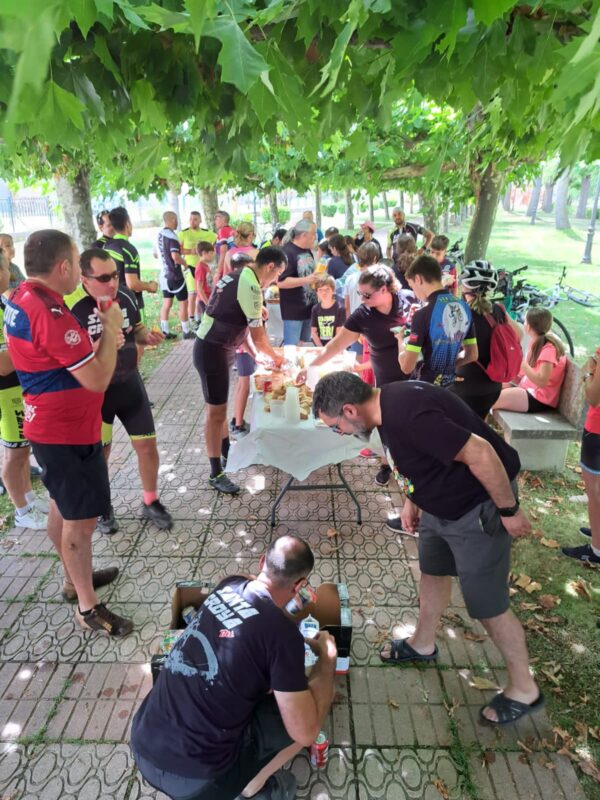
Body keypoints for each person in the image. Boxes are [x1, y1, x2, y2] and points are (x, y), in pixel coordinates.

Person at [313, 371, 544, 727]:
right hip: (439, 507)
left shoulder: (409, 414)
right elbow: (412, 459)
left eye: (335, 426)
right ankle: (423, 643)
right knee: (432, 571)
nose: (339, 432)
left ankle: (524, 688)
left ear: (349, 410)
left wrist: (508, 510)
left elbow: (481, 453)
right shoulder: (382, 407)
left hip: (476, 508)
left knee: (488, 605)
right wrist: (412, 500)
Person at [131, 535, 337, 800]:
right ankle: (252, 788)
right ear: (299, 585)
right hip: (198, 784)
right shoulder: (285, 638)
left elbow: (256, 601)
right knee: (309, 710)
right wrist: (328, 658)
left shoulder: (229, 585)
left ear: (262, 562)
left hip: (143, 744)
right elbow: (306, 733)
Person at [5, 229, 132, 636]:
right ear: (62, 267)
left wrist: (99, 342)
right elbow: (96, 378)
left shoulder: (24, 296)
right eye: (76, 263)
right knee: (81, 522)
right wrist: (110, 329)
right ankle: (88, 608)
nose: (79, 271)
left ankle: (72, 580)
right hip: (65, 432)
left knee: (62, 507)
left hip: (53, 427)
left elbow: (57, 359)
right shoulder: (49, 312)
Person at [68, 248, 172, 535]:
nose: (112, 282)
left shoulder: (124, 296)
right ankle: (103, 506)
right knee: (100, 455)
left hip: (129, 384)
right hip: (96, 394)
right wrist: (98, 345)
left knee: (147, 446)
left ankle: (150, 501)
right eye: (104, 278)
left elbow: (136, 330)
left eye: (115, 275)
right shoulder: (74, 308)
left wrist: (147, 337)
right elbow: (69, 358)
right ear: (84, 279)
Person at [298, 265, 407, 488]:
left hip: (415, 376)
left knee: (410, 428)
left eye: (367, 295)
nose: (362, 299)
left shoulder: (407, 301)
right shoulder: (363, 315)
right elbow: (336, 345)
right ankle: (387, 465)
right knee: (389, 428)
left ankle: (411, 469)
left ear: (385, 289)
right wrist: (311, 366)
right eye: (360, 294)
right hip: (386, 382)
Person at [194, 247, 286, 494]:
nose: (275, 281)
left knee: (220, 408)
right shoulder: (250, 284)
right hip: (211, 349)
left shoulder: (242, 275)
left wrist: (257, 357)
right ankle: (215, 473)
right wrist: (277, 358)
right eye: (278, 274)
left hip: (218, 347)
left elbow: (240, 327)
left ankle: (227, 452)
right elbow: (259, 337)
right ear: (270, 267)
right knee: (215, 414)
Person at [0, 248, 48, 529]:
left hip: (18, 386)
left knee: (22, 448)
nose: (10, 274)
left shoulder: (4, 301)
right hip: (5, 391)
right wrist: (35, 349)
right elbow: (2, 364)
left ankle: (28, 499)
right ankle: (22, 510)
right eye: (7, 268)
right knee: (14, 452)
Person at [450, 262, 523, 419]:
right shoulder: (499, 310)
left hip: (464, 387)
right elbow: (519, 334)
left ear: (465, 286)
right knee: (477, 426)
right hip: (493, 388)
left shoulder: (460, 313)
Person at [397, 255, 477, 387]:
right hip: (450, 386)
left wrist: (400, 343)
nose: (414, 292)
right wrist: (447, 367)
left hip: (426, 388)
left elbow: (407, 367)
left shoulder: (422, 315)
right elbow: (472, 355)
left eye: (412, 286)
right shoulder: (464, 306)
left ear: (418, 279)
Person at [562, 346, 600, 564]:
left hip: (597, 429)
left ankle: (596, 550)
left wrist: (589, 373)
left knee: (595, 493)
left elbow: (593, 397)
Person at [494, 308, 567, 413]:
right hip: (526, 389)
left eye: (525, 321)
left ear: (528, 326)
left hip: (538, 398)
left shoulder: (549, 349)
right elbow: (523, 374)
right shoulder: (536, 342)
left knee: (489, 400)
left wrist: (523, 364)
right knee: (488, 389)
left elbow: (542, 381)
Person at [104, 206, 158, 324]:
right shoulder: (128, 250)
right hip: (131, 303)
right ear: (127, 224)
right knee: (139, 334)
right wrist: (150, 286)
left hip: (110, 304)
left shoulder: (106, 246)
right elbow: (132, 283)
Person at [278, 220, 317, 345]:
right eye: (313, 233)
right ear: (304, 235)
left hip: (309, 309)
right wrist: (306, 280)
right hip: (293, 312)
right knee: (292, 348)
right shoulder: (287, 252)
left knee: (303, 346)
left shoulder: (307, 250)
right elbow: (281, 282)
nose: (315, 237)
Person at [157, 211, 194, 340]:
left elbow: (155, 254)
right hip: (175, 275)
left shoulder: (158, 235)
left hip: (163, 275)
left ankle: (165, 331)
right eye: (176, 219)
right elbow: (175, 257)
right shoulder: (172, 236)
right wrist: (185, 264)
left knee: (167, 303)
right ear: (172, 219)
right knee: (183, 302)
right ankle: (186, 331)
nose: (177, 222)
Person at [179, 211, 217, 326]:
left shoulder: (207, 233)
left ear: (200, 220)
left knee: (204, 289)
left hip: (205, 265)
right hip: (191, 266)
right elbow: (178, 250)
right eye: (190, 219)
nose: (192, 221)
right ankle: (192, 318)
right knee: (193, 293)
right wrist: (190, 251)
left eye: (195, 219)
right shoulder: (184, 233)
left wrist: (211, 250)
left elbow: (217, 240)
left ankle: (199, 317)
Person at [310, 275, 345, 347]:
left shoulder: (340, 308)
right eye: (320, 290)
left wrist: (329, 350)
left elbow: (339, 334)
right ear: (316, 292)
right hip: (320, 347)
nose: (324, 292)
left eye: (327, 289)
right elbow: (313, 332)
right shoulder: (315, 309)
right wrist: (321, 348)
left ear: (333, 290)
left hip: (335, 347)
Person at [194, 241, 216, 317]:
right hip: (205, 300)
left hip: (209, 297)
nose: (213, 255)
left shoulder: (205, 266)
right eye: (211, 253)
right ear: (204, 253)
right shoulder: (200, 268)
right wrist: (207, 304)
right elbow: (199, 288)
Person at [214, 210, 236, 280]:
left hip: (227, 267)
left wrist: (218, 272)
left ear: (223, 219)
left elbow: (223, 253)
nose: (215, 221)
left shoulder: (222, 231)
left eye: (216, 218)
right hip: (234, 266)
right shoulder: (231, 229)